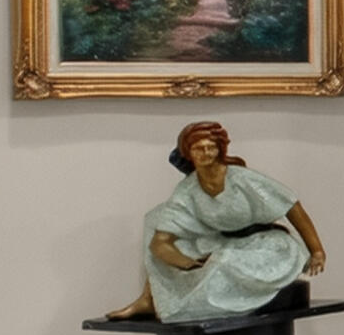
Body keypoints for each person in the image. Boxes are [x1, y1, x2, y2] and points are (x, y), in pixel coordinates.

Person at [107, 121, 327, 322]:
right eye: (198, 149)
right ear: (188, 154)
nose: (206, 153)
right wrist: (186, 262)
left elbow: (292, 206)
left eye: (210, 147)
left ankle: (194, 303)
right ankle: (151, 298)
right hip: (221, 240)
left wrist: (316, 250)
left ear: (220, 149)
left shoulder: (240, 178)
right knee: (157, 218)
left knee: (222, 262)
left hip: (265, 244)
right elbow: (159, 242)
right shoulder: (188, 189)